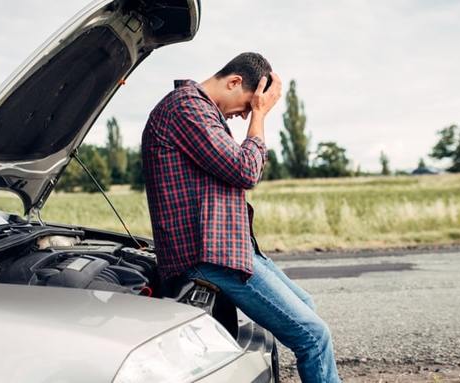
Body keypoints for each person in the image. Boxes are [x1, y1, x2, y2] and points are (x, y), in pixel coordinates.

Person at [141, 52, 341, 383]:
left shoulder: (199, 110)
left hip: (227, 250)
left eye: (251, 110)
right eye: (247, 105)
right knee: (313, 336)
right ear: (234, 81)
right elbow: (245, 169)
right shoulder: (186, 108)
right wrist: (260, 116)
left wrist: (255, 110)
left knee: (306, 305)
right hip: (208, 255)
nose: (243, 115)